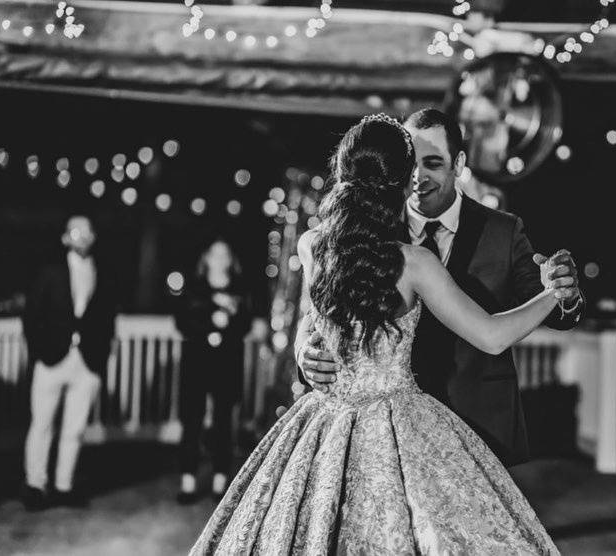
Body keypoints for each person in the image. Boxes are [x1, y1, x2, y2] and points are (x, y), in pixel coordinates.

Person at [191, 114, 570, 553]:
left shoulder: (312, 246)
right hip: (404, 419)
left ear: (342, 174)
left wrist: (309, 340)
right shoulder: (412, 263)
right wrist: (550, 293)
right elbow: (491, 336)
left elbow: (317, 319)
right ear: (403, 180)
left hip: (325, 421)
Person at [296, 108, 583, 466]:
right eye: (410, 165)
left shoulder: (503, 231)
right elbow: (314, 318)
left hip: (479, 425)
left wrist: (562, 294)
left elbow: (553, 314)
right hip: (391, 433)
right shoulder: (406, 257)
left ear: (458, 163)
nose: (419, 177)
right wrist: (302, 351)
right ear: (396, 175)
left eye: (432, 163)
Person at [21, 215, 116, 510]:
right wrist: (39, 353)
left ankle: (64, 486)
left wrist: (100, 361)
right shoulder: (50, 272)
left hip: (86, 363)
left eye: (88, 230)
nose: (83, 235)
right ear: (65, 238)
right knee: (41, 424)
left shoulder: (103, 272)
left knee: (74, 429)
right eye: (77, 230)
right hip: (51, 359)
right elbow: (31, 317)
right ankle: (36, 485)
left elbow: (106, 320)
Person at [174, 239, 252, 504]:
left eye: (225, 254)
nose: (219, 259)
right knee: (191, 421)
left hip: (226, 362)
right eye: (215, 254)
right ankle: (188, 481)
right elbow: (182, 321)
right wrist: (211, 315)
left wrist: (229, 316)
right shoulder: (194, 286)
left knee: (223, 423)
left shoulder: (240, 289)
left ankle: (221, 481)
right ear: (206, 258)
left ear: (230, 260)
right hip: (196, 361)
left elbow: (245, 325)